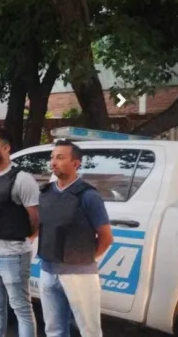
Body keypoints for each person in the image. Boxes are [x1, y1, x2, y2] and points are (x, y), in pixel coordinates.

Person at [39, 140, 112, 337]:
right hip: (47, 271)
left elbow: (106, 237)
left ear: (76, 163)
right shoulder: (45, 193)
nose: (54, 162)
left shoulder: (88, 196)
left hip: (79, 274)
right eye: (52, 157)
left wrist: (86, 260)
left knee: (89, 331)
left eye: (60, 157)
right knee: (54, 330)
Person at [0, 128, 39, 337]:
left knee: (21, 308)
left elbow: (35, 218)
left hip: (13, 255)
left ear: (6, 147)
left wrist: (26, 238)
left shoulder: (22, 179)